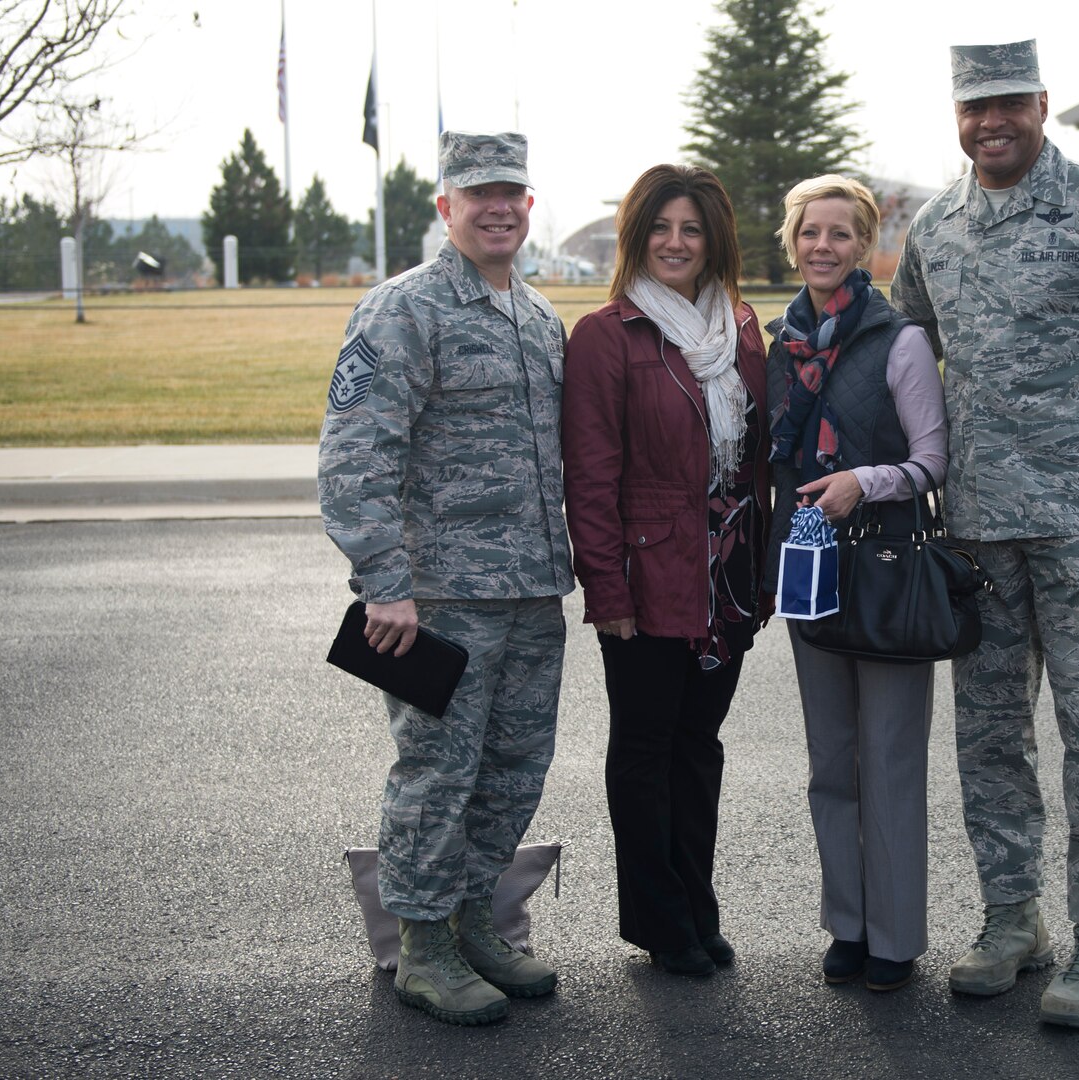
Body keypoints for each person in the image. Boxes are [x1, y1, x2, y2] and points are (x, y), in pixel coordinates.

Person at [891, 39, 1079, 1027]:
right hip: (977, 531)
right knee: (987, 737)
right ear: (955, 115)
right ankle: (1010, 918)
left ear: (1040, 104)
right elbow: (910, 346)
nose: (991, 122)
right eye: (974, 107)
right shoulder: (933, 229)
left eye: (1007, 104)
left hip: (1077, 532)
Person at [319, 130, 572, 1026]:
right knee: (435, 772)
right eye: (478, 195)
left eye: (511, 192)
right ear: (446, 209)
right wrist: (383, 581)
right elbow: (355, 454)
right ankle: (422, 945)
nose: (497, 208)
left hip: (535, 592)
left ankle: (475, 923)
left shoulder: (539, 318)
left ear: (528, 205)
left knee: (514, 768)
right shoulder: (404, 310)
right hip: (438, 600)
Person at [561, 164, 770, 977]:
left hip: (727, 577)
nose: (676, 243)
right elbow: (592, 474)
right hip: (648, 580)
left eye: (691, 229)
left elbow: (757, 463)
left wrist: (759, 576)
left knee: (700, 746)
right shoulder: (608, 335)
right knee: (646, 748)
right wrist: (606, 588)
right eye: (661, 228)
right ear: (636, 237)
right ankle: (660, 921)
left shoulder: (742, 328)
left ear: (713, 240)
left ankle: (698, 905)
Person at [762, 175, 948, 993]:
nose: (823, 247)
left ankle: (896, 936)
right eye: (811, 233)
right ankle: (848, 923)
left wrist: (863, 482)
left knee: (892, 759)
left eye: (842, 233)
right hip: (811, 576)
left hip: (888, 572)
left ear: (869, 245)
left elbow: (933, 462)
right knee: (832, 761)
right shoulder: (781, 343)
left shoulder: (899, 340)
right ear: (792, 242)